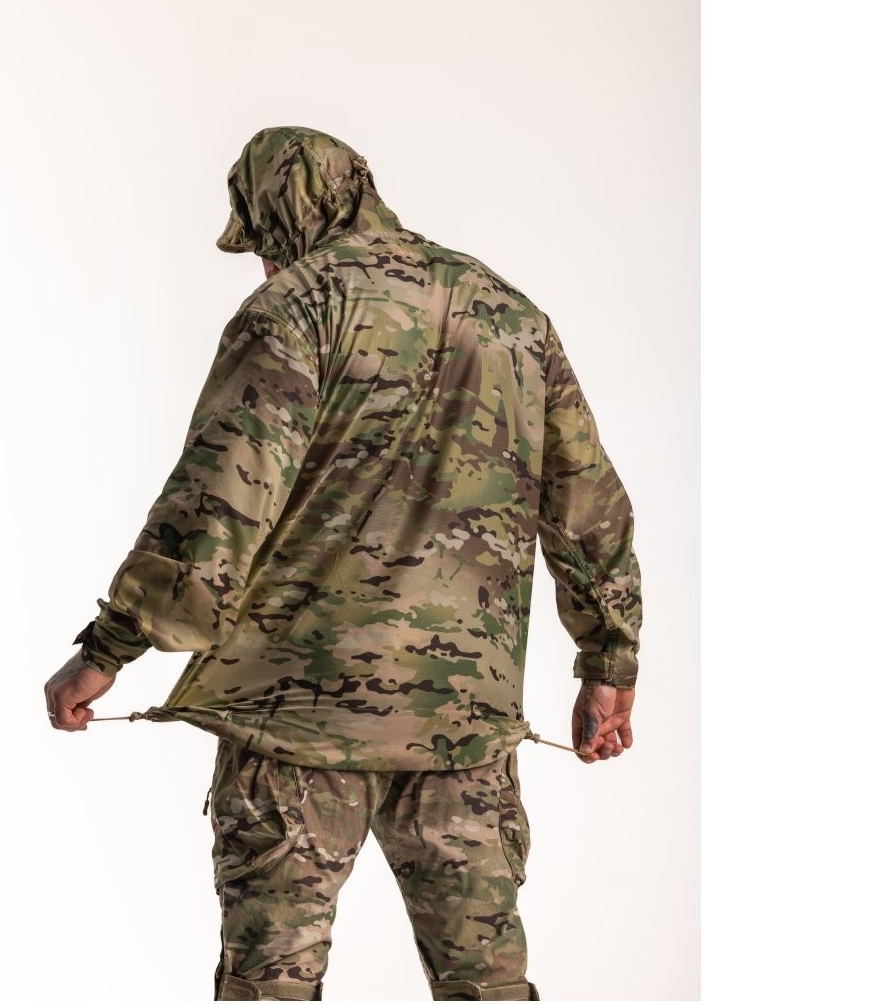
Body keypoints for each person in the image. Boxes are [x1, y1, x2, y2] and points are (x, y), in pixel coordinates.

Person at [44, 126, 642, 1002]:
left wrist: (107, 650)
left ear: (280, 218)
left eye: (259, 239)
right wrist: (610, 662)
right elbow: (588, 504)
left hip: (293, 723)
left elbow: (218, 501)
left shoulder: (295, 307)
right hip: (461, 726)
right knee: (486, 987)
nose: (261, 262)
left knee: (271, 989)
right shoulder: (510, 314)